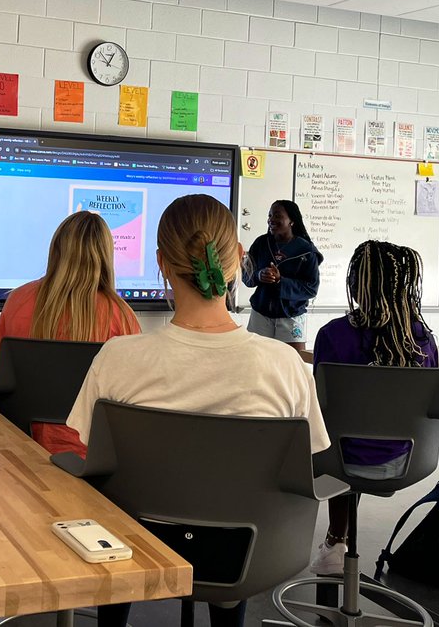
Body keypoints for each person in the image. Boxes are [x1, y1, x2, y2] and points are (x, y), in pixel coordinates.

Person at [67, 194, 329, 627]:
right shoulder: (285, 365)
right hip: (246, 552)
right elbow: (310, 461)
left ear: (161, 263)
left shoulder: (117, 357)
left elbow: (89, 453)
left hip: (134, 546)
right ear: (238, 261)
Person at [308, 240, 439, 577]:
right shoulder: (422, 340)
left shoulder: (333, 335)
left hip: (336, 461)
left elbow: (322, 410)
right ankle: (336, 541)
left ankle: (335, 542)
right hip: (406, 461)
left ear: (355, 283)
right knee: (356, 436)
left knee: (336, 437)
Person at [0, 210, 140, 454]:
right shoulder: (123, 317)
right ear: (106, 256)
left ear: (56, 249)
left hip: (21, 445)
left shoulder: (18, 300)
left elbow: (5, 367)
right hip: (90, 453)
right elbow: (126, 394)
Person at [242, 199, 322, 350]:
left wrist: (280, 282)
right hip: (261, 314)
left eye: (277, 215)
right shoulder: (261, 243)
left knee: (293, 364)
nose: (271, 219)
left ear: (292, 220)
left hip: (291, 316)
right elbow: (246, 275)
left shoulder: (306, 251)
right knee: (257, 362)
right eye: (270, 215)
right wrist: (259, 275)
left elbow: (311, 289)